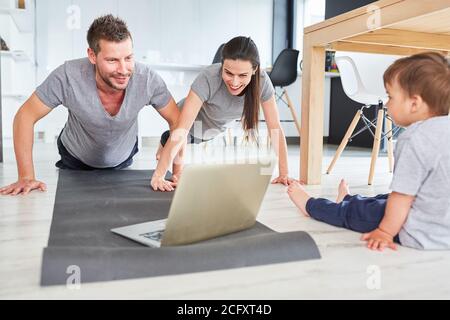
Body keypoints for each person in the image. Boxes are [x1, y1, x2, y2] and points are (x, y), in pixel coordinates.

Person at [0, 14, 180, 196]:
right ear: (92, 56)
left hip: (122, 159)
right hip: (75, 158)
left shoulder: (147, 80)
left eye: (128, 58)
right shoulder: (67, 76)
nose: (123, 70)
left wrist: (177, 173)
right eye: (112, 60)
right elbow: (25, 116)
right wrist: (26, 176)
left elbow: (178, 122)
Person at [287, 52, 450, 251]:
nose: (386, 104)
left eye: (390, 97)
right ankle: (347, 199)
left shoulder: (414, 139)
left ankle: (311, 205)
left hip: (419, 232)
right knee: (385, 198)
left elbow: (402, 197)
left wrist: (385, 231)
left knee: (358, 212)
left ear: (414, 103)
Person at [151, 36, 295, 191]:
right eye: (228, 73)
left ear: (254, 70)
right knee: (182, 140)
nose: (234, 82)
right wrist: (160, 174)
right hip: (185, 121)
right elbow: (181, 129)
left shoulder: (262, 81)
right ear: (221, 65)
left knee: (198, 138)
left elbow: (275, 128)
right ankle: (168, 145)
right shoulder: (208, 77)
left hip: (212, 128)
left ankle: (167, 143)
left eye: (242, 75)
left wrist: (284, 173)